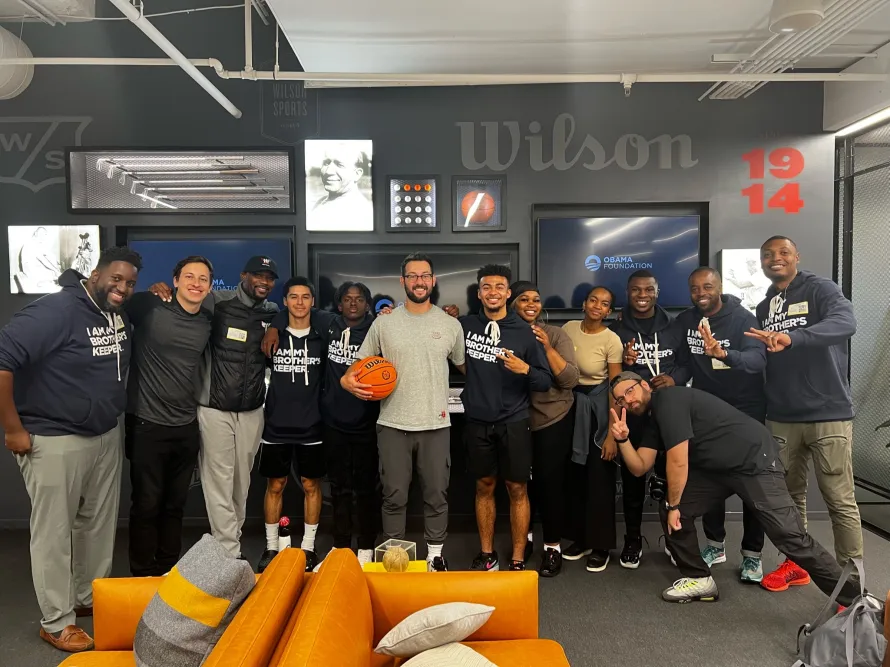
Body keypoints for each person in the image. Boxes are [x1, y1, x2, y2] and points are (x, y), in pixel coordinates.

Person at [609, 372, 859, 607]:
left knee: (789, 536)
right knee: (674, 513)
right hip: (717, 470)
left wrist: (675, 505)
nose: (627, 401)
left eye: (629, 391)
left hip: (753, 460)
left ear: (644, 385)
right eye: (620, 399)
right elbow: (639, 467)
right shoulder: (654, 420)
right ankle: (699, 579)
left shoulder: (668, 399)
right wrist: (622, 439)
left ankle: (856, 599)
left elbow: (678, 461)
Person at [0, 246, 142, 652]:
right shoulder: (55, 311)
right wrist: (13, 428)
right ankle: (56, 621)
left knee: (96, 525)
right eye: (116, 278)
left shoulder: (115, 312)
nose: (122, 287)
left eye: (130, 282)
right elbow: (2, 360)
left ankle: (86, 597)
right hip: (54, 437)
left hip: (104, 434)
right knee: (54, 533)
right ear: (95, 274)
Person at [745, 236, 863, 593]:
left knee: (839, 500)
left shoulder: (820, 289)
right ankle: (796, 564)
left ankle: (851, 585)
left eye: (783, 252)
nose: (775, 259)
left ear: (797, 256)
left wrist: (794, 338)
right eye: (767, 255)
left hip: (827, 413)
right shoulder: (765, 306)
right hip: (782, 415)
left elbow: (845, 323)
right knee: (789, 499)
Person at [149, 255, 279, 559]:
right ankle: (230, 551)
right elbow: (183, 303)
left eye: (269, 278)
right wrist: (158, 291)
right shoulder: (216, 302)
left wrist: (278, 324)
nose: (263, 282)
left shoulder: (272, 311)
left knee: (241, 484)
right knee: (218, 481)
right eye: (258, 275)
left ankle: (230, 543)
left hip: (252, 411)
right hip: (214, 408)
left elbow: (297, 316)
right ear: (243, 276)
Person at [341, 253, 465, 572]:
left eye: (424, 276)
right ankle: (395, 559)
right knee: (394, 496)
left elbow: (465, 366)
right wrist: (346, 380)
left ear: (433, 281)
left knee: (436, 495)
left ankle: (435, 556)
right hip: (392, 424)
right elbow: (359, 364)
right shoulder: (384, 323)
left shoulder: (450, 325)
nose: (419, 281)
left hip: (436, 425)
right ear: (403, 281)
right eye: (412, 276)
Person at [263, 282, 381, 567]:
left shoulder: (377, 329)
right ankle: (336, 547)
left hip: (360, 422)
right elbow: (292, 311)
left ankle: (358, 548)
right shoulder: (329, 324)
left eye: (359, 299)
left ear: (368, 304)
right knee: (336, 489)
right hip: (324, 423)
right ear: (338, 305)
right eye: (347, 299)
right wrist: (274, 326)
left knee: (362, 489)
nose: (353, 303)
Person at [456, 267, 552, 572]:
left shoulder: (525, 332)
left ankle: (518, 558)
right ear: (479, 293)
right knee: (484, 486)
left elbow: (544, 380)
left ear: (508, 294)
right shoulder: (464, 326)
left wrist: (525, 369)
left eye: (500, 286)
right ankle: (487, 554)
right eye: (487, 287)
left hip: (514, 421)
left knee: (517, 488)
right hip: (477, 421)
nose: (493, 292)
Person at [675, 267, 767, 583]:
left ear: (720, 287)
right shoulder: (686, 320)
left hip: (745, 411)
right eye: (695, 288)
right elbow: (683, 363)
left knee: (752, 483)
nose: (701, 293)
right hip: (707, 412)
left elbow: (758, 361)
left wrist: (725, 353)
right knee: (709, 477)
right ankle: (715, 545)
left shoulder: (743, 319)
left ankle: (752, 555)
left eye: (707, 286)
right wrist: (671, 379)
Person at [124, 256, 214, 577]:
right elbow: (113, 304)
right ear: (175, 281)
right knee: (147, 504)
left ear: (210, 287)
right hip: (147, 424)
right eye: (189, 276)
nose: (195, 283)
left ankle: (167, 570)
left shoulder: (208, 322)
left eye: (203, 279)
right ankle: (142, 574)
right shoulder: (148, 306)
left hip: (186, 427)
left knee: (175, 506)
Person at [610, 270, 690, 568]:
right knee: (633, 481)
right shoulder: (616, 330)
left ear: (657, 292)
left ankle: (672, 539)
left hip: (668, 410)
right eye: (635, 290)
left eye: (648, 290)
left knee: (669, 479)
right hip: (633, 414)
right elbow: (611, 374)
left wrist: (674, 378)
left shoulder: (675, 325)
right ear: (627, 293)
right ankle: (632, 539)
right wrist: (625, 363)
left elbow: (688, 363)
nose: (642, 295)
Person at [255, 277, 328, 573]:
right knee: (275, 485)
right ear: (284, 301)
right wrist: (275, 324)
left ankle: (308, 547)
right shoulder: (272, 336)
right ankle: (271, 546)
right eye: (293, 297)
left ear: (313, 301)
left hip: (312, 425)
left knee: (311, 485)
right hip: (276, 424)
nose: (300, 302)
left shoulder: (322, 337)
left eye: (305, 297)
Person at [509, 281, 579, 577]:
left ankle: (552, 547)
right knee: (519, 485)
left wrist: (547, 347)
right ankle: (523, 541)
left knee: (550, 485)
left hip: (552, 417)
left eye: (535, 299)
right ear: (511, 303)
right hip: (514, 419)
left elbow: (570, 379)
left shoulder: (555, 334)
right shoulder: (502, 333)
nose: (531, 304)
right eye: (523, 299)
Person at [561, 286, 624, 573]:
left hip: (600, 410)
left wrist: (611, 434)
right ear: (584, 304)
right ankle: (581, 539)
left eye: (605, 303)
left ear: (609, 311)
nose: (598, 306)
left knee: (599, 479)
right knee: (575, 477)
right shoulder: (569, 328)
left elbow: (615, 389)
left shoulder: (612, 340)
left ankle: (600, 546)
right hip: (571, 407)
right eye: (594, 300)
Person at [308, 143, 373, 231]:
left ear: (357, 174)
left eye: (340, 165)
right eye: (326, 163)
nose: (328, 171)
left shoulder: (359, 214)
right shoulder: (321, 201)